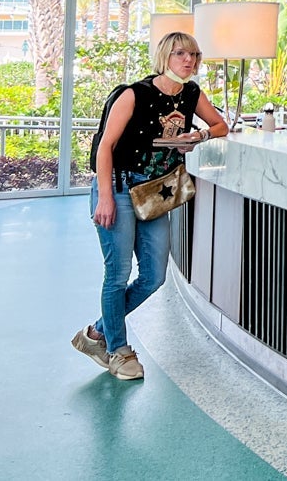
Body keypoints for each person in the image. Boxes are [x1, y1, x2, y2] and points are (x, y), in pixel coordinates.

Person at [73, 30, 228, 380]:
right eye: (179, 54)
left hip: (156, 192)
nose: (188, 61)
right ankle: (118, 351)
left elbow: (221, 126)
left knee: (155, 276)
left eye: (193, 55)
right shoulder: (134, 94)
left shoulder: (191, 94)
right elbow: (105, 147)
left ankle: (97, 333)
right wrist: (106, 197)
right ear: (164, 58)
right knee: (116, 276)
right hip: (119, 188)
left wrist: (197, 135)